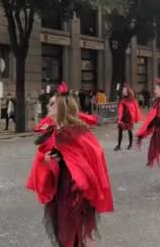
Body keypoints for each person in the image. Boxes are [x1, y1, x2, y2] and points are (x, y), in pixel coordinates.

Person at [26, 82, 113, 247]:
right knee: (62, 232)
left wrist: (67, 162)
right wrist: (47, 159)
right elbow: (46, 157)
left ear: (61, 108)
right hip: (58, 188)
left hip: (73, 190)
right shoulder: (53, 130)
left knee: (68, 234)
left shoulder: (76, 132)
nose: (47, 106)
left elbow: (92, 156)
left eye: (52, 104)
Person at [115, 85, 142, 151]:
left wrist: (134, 117)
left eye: (125, 90)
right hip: (122, 117)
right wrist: (119, 116)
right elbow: (120, 108)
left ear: (128, 91)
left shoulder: (132, 100)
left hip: (129, 117)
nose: (123, 91)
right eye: (123, 90)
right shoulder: (122, 99)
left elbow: (135, 109)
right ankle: (118, 145)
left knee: (129, 131)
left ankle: (130, 144)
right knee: (120, 131)